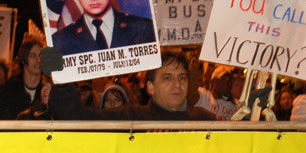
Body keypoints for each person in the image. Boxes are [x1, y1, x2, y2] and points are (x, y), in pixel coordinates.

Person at [47, 50, 216, 121]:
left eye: (182, 78)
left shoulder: (204, 121)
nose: (177, 84)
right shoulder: (132, 119)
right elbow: (76, 118)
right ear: (150, 87)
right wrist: (61, 80)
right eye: (167, 78)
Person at [0, 39, 43, 119]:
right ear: (23, 59)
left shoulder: (51, 91)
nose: (39, 60)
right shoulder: (4, 92)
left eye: (41, 55)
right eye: (32, 56)